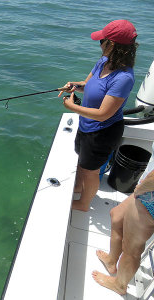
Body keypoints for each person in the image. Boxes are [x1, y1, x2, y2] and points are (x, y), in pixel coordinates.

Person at [58, 20, 139, 211]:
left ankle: (83, 204)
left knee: (90, 171)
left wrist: (72, 107)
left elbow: (103, 115)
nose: (99, 43)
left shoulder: (124, 78)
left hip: (102, 132)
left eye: (101, 40)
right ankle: (78, 187)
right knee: (81, 160)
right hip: (86, 125)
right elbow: (88, 83)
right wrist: (75, 85)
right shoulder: (103, 62)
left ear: (111, 44)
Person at [92, 141, 154, 295]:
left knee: (131, 248)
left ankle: (120, 285)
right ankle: (112, 261)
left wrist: (142, 189)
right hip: (147, 189)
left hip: (149, 195)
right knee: (117, 215)